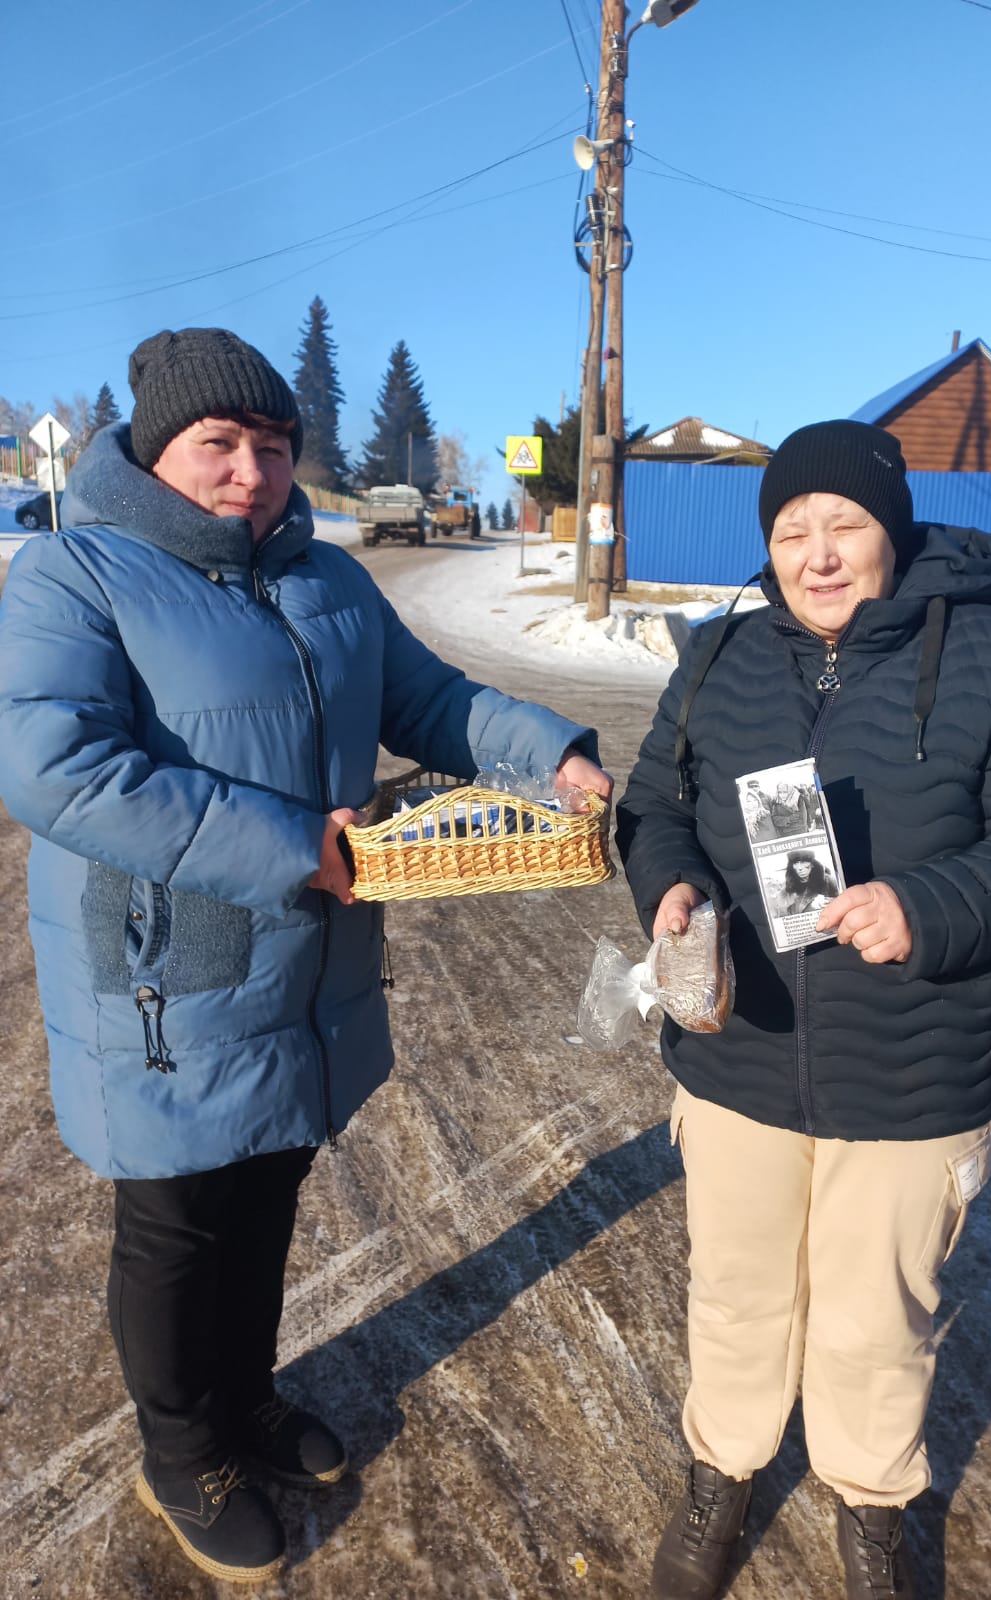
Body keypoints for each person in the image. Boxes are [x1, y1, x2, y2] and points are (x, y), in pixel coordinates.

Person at [0, 327, 611, 1586]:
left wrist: (545, 749)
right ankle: (184, 1452)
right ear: (154, 448)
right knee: (179, 1215)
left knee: (270, 1186)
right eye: (217, 445)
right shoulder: (75, 576)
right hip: (170, 958)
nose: (249, 473)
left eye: (272, 447)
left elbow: (433, 700)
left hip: (307, 954)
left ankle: (247, 1397)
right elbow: (55, 768)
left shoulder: (327, 582)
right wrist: (288, 843)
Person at [616, 419, 991, 1600]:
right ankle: (721, 1472)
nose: (819, 554)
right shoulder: (718, 658)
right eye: (792, 532)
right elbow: (653, 803)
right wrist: (669, 882)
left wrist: (928, 908)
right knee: (735, 1291)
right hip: (740, 1051)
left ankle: (872, 1500)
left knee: (875, 1320)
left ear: (893, 531)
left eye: (845, 525)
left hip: (913, 1068)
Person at [776, 848, 838, 919]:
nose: (800, 868)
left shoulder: (828, 881)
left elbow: (841, 902)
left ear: (812, 864)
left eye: (803, 862)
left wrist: (831, 902)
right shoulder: (785, 890)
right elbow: (782, 916)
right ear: (792, 866)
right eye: (795, 863)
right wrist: (811, 908)